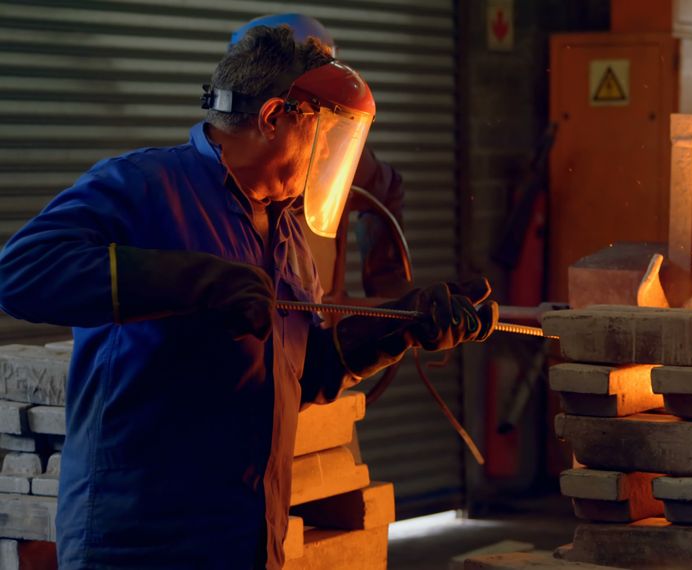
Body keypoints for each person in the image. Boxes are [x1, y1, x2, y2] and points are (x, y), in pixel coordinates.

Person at [0, 25, 495, 568]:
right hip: (139, 544)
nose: (331, 153)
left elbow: (301, 376)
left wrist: (398, 327)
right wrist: (190, 280)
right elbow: (19, 273)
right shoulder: (143, 186)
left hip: (244, 541)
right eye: (324, 134)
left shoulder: (286, 233)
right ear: (273, 118)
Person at [232, 13, 410, 297]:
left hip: (322, 319)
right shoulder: (224, 160)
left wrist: (388, 290)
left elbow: (384, 187)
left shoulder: (341, 156)